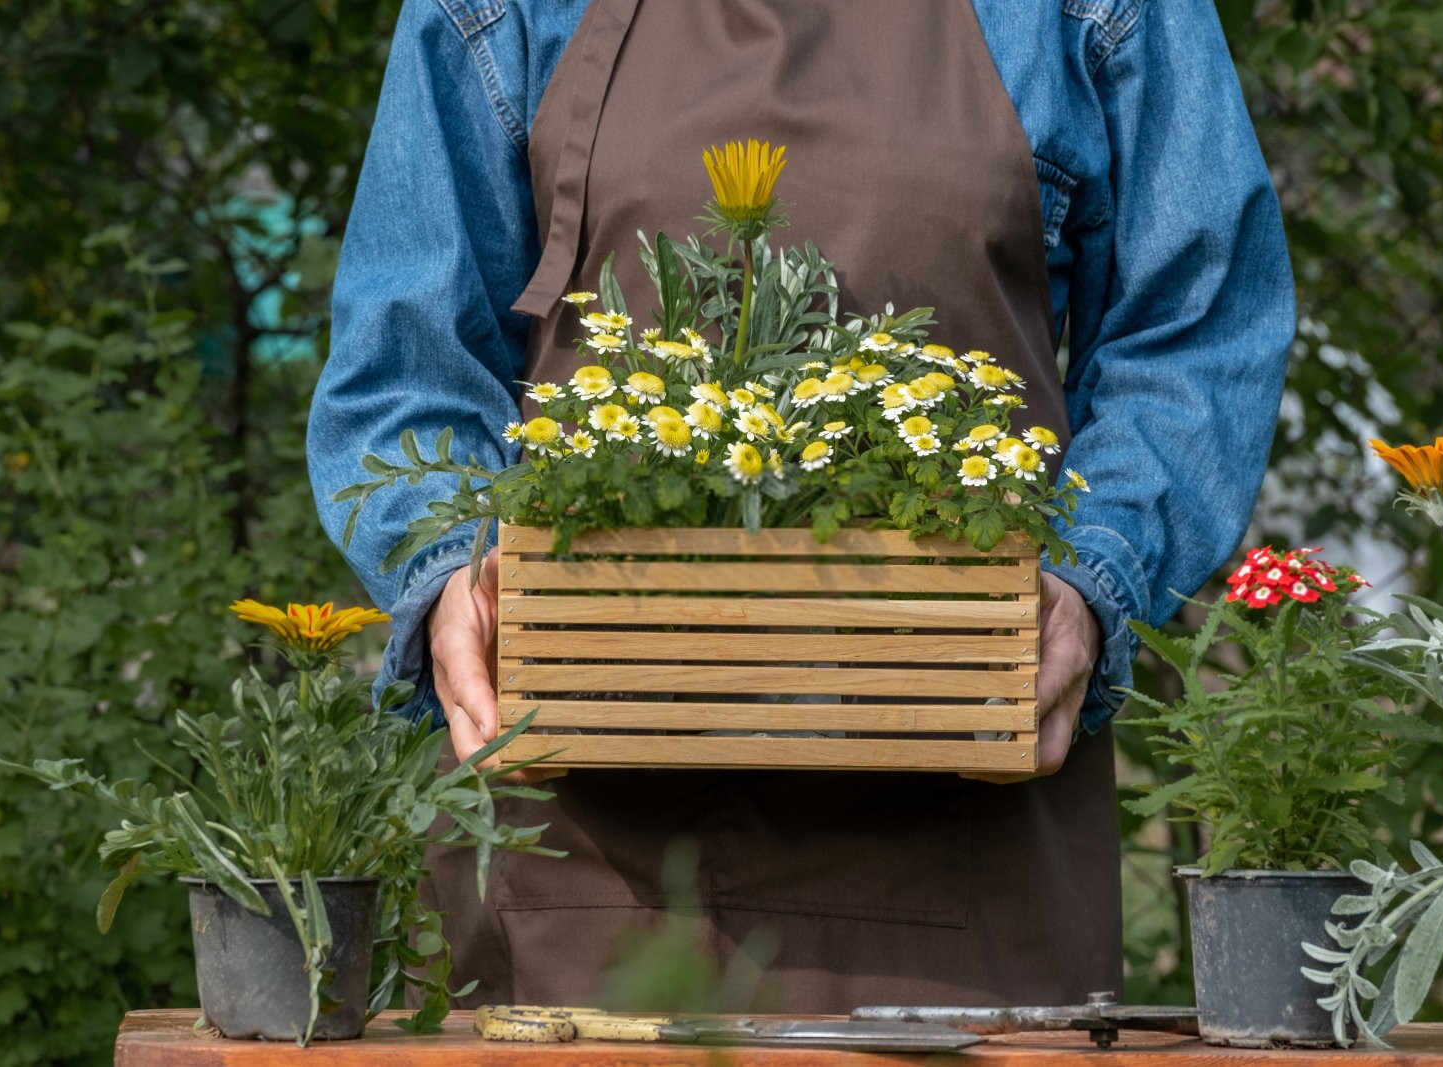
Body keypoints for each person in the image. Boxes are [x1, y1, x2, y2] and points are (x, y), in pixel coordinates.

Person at [307, 0, 1293, 1010]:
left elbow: (1195, 327)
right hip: (576, 867)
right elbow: (406, 367)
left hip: (969, 848)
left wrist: (1090, 577)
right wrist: (450, 573)